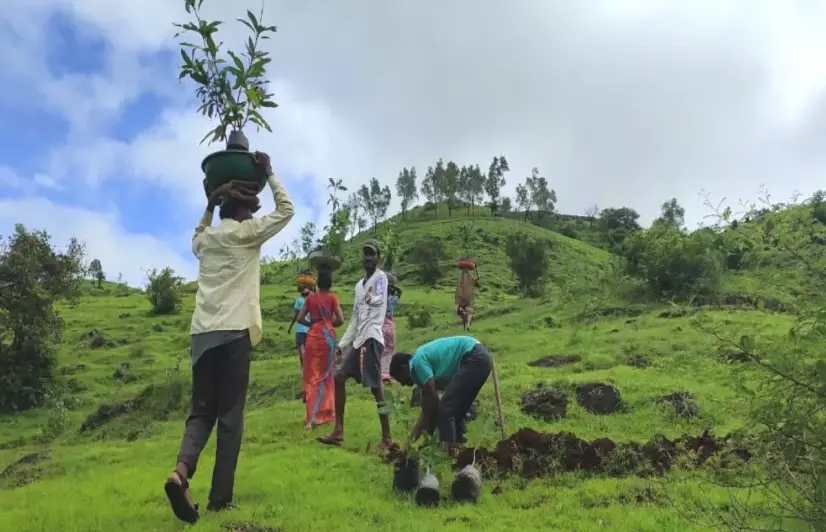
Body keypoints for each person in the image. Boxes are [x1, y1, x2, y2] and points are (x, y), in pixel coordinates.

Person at [163, 152, 295, 525]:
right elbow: (286, 210)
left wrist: (210, 202)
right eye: (251, 209)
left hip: (201, 336)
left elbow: (195, 236)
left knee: (201, 413)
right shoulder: (247, 234)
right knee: (230, 417)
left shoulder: (207, 241)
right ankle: (221, 499)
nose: (254, 215)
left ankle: (181, 472)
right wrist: (269, 172)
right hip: (235, 333)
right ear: (240, 213)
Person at [317, 239, 392, 449]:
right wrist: (342, 345)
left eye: (372, 254)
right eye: (365, 253)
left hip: (373, 337)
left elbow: (380, 301)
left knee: (376, 387)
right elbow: (355, 319)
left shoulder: (381, 278)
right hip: (360, 338)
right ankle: (338, 431)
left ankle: (387, 438)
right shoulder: (358, 286)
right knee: (339, 377)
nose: (368, 257)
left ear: (378, 257)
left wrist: (371, 299)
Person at [389, 335, 491, 448]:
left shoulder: (418, 363)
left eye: (400, 379)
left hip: (473, 357)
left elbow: (433, 400)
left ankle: (448, 452)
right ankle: (459, 450)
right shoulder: (420, 376)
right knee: (456, 411)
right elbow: (426, 411)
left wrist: (429, 432)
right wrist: (409, 443)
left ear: (403, 369)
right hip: (480, 359)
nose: (403, 384)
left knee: (446, 409)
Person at [295, 267, 344, 431]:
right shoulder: (332, 298)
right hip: (328, 338)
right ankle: (328, 414)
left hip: (313, 337)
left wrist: (313, 325)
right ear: (330, 284)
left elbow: (300, 318)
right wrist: (329, 324)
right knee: (327, 375)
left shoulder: (310, 299)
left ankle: (311, 419)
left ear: (317, 283)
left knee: (311, 376)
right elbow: (341, 319)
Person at [381, 274, 402, 384]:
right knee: (389, 351)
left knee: (379, 351)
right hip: (389, 327)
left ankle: (379, 373)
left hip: (378, 327)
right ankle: (387, 374)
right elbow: (400, 292)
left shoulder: (378, 300)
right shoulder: (391, 300)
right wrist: (393, 287)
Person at [287, 285, 312, 370]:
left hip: (301, 328)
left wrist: (290, 327)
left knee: (301, 349)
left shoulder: (299, 300)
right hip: (309, 328)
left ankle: (306, 367)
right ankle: (304, 368)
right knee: (307, 349)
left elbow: (295, 316)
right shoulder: (311, 300)